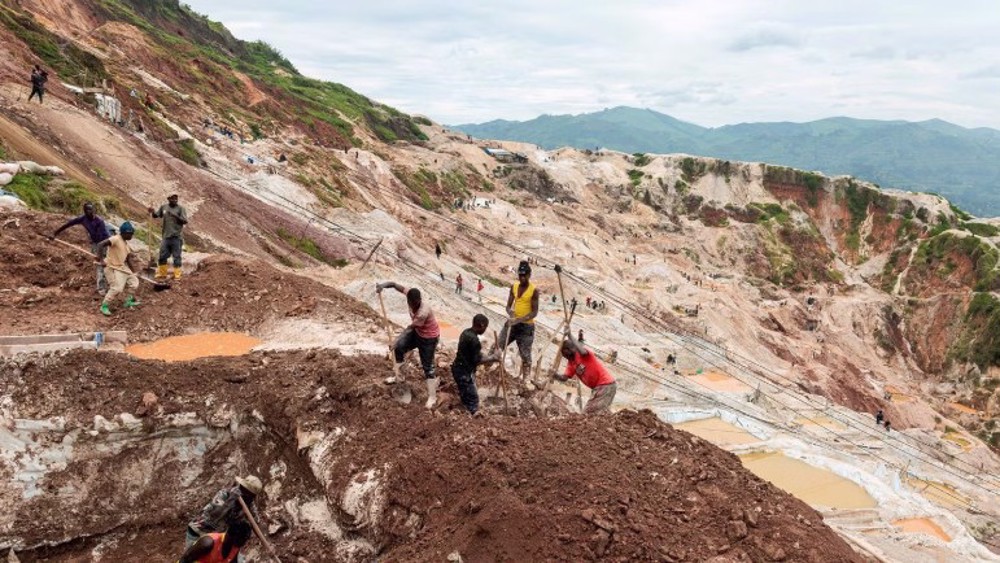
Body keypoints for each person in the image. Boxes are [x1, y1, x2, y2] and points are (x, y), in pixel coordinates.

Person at [376, 281, 441, 408]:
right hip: (418, 332)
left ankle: (432, 397)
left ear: (419, 301)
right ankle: (399, 378)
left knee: (428, 367)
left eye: (414, 304)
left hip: (429, 338)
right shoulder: (410, 294)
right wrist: (382, 286)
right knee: (399, 349)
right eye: (410, 303)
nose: (412, 306)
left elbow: (409, 328)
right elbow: (394, 285)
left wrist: (395, 340)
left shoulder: (423, 312)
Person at [185, 476, 262, 550]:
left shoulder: (249, 504)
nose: (247, 496)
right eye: (243, 490)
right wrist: (231, 501)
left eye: (251, 495)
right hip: (200, 530)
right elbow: (214, 514)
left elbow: (255, 523)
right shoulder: (225, 494)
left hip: (216, 537)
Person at [552, 329, 617, 414]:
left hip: (605, 385)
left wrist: (570, 335)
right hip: (598, 388)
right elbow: (564, 378)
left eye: (564, 352)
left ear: (569, 349)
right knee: (598, 413)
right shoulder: (571, 363)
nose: (563, 355)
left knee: (588, 414)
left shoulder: (583, 354)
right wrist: (555, 375)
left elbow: (581, 350)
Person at [51, 202, 111, 293]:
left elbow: (101, 239)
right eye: (87, 209)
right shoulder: (83, 219)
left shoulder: (99, 221)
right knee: (100, 266)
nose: (90, 211)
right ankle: (101, 288)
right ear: (84, 211)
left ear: (95, 210)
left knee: (107, 263)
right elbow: (68, 224)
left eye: (91, 209)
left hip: (105, 242)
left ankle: (112, 282)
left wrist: (101, 256)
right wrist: (55, 233)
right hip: (95, 243)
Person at [496, 261, 539, 379]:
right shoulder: (514, 286)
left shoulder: (534, 290)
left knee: (525, 355)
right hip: (512, 324)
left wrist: (519, 320)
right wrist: (510, 313)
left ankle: (526, 380)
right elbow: (508, 306)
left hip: (526, 327)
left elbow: (534, 312)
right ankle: (488, 369)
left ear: (529, 275)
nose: (522, 277)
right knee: (498, 346)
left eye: (524, 275)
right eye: (520, 275)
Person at [451, 314, 499, 415]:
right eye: (485, 327)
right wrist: (494, 358)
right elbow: (477, 360)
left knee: (465, 393)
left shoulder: (465, 332)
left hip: (457, 368)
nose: (485, 329)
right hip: (465, 372)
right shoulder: (474, 341)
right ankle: (473, 417)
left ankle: (464, 408)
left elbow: (473, 353)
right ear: (481, 325)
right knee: (473, 399)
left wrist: (488, 356)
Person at [94, 222, 140, 317]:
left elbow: (127, 259)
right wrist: (102, 260)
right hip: (111, 267)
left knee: (134, 282)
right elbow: (100, 245)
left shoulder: (126, 244)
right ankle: (104, 306)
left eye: (132, 233)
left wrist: (134, 272)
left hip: (121, 267)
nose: (131, 236)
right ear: (124, 233)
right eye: (130, 234)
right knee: (116, 288)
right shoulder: (116, 238)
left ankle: (128, 301)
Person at [149, 194, 189, 280]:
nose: (175, 200)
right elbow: (156, 215)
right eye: (173, 199)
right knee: (162, 256)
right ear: (169, 199)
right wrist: (152, 212)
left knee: (176, 256)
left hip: (176, 237)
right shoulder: (164, 207)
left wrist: (175, 216)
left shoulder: (181, 209)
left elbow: (185, 221)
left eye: (176, 199)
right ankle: (162, 273)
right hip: (166, 237)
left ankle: (177, 275)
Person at [178, 520, 252, 563]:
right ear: (231, 537)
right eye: (243, 540)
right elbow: (185, 559)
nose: (244, 544)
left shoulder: (235, 547)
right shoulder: (208, 543)